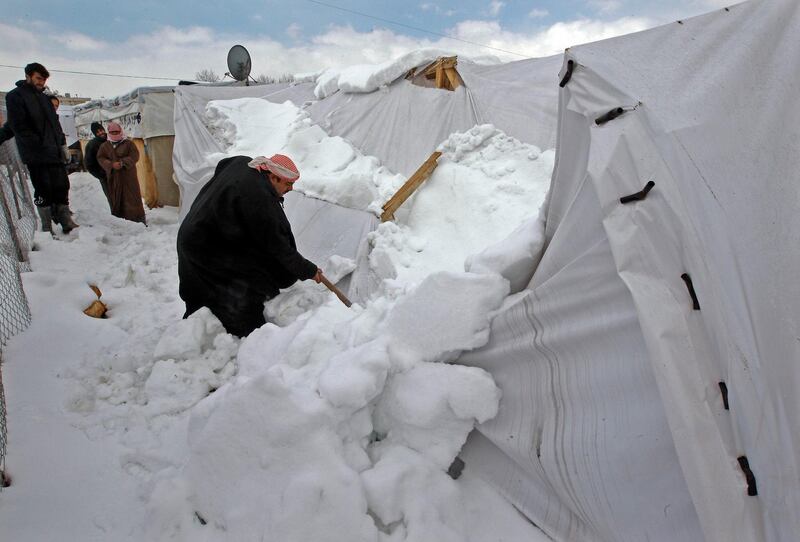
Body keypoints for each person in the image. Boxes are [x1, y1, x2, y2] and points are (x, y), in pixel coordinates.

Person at [177, 154, 322, 337]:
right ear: (273, 176)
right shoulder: (258, 196)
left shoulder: (246, 164)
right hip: (205, 244)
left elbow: (224, 164)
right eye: (287, 184)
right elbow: (278, 247)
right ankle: (244, 333)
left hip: (197, 230)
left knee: (206, 282)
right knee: (236, 289)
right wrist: (309, 270)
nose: (291, 189)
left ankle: (198, 326)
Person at [5, 62, 78, 233]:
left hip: (54, 152)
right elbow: (18, 126)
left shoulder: (45, 99)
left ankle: (65, 220)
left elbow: (55, 125)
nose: (41, 83)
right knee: (42, 189)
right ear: (28, 76)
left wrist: (62, 145)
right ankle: (46, 225)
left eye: (43, 80)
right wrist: (38, 145)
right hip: (36, 154)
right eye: (38, 78)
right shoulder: (15, 97)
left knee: (62, 185)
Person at [96, 122, 146, 223]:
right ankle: (120, 221)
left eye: (117, 132)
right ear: (109, 132)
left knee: (132, 197)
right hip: (114, 178)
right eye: (112, 132)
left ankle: (137, 219)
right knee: (117, 197)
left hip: (128, 177)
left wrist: (123, 163)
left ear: (120, 131)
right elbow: (101, 158)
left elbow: (134, 156)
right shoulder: (105, 146)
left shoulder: (128, 143)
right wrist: (110, 164)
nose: (115, 134)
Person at [84, 122, 111, 206]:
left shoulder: (111, 140)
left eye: (101, 130)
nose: (101, 133)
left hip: (117, 175)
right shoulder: (92, 145)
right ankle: (118, 218)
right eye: (97, 132)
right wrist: (101, 175)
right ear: (95, 134)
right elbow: (89, 164)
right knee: (112, 198)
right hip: (105, 177)